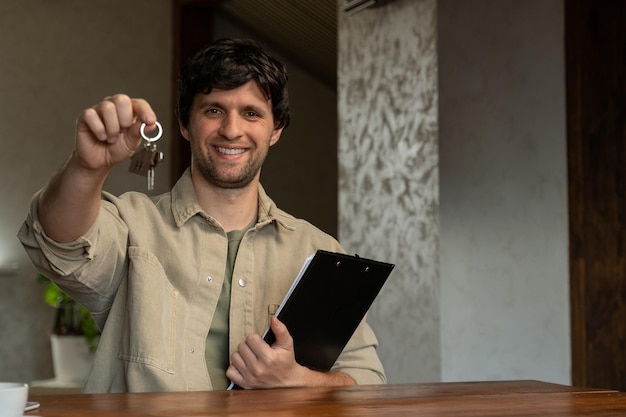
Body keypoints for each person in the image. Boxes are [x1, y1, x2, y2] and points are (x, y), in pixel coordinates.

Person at [18, 38, 386, 392]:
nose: (231, 129)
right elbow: (58, 242)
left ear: (276, 130)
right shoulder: (133, 224)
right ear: (184, 123)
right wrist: (86, 168)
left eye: (251, 113)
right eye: (213, 110)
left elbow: (366, 382)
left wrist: (299, 381)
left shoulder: (318, 248)